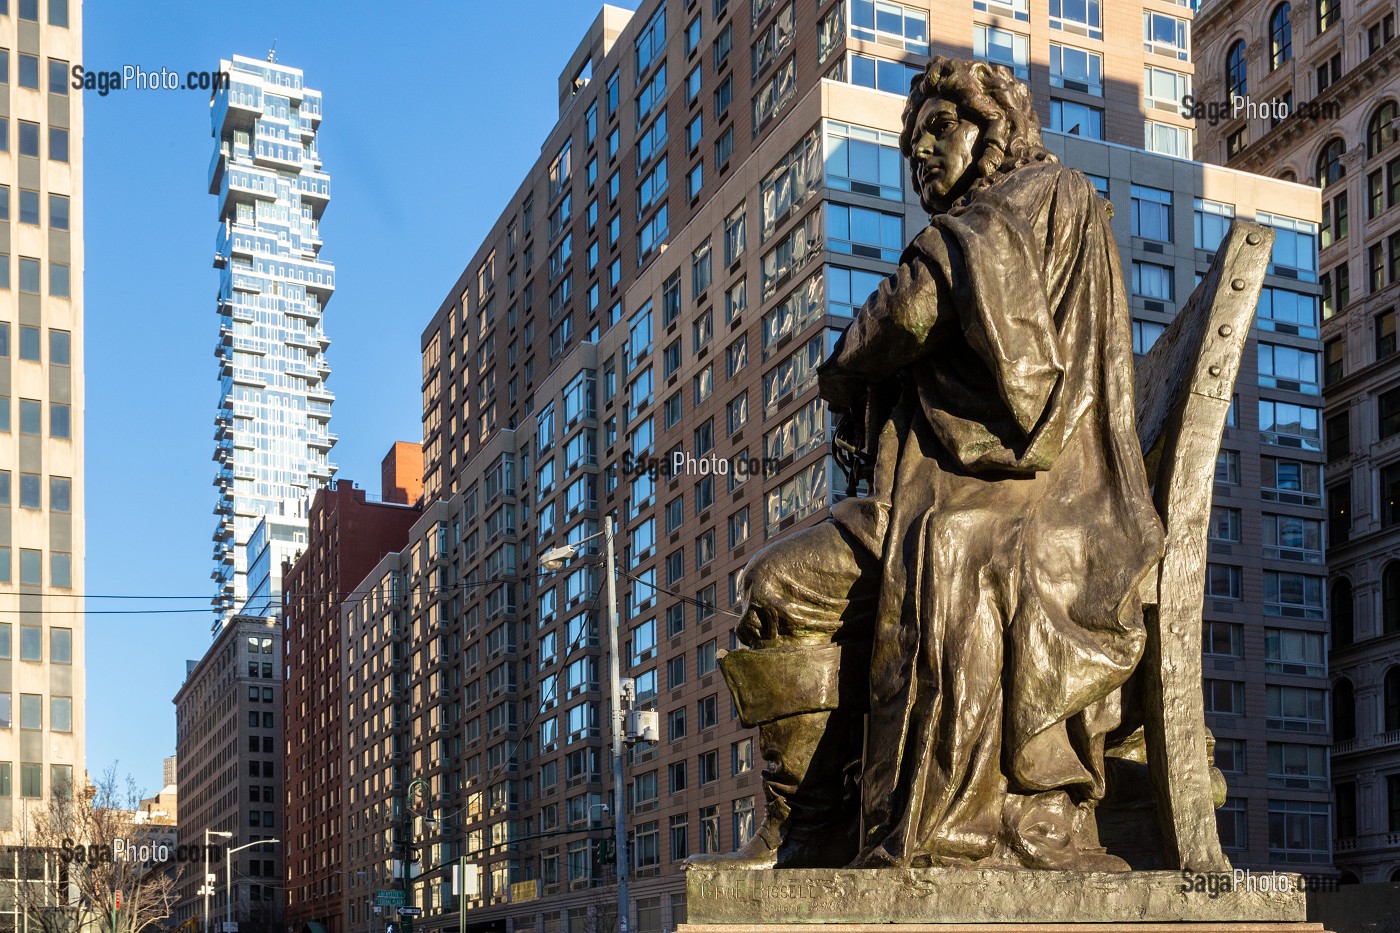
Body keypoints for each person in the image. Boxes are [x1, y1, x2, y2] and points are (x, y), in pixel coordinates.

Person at [689, 57, 1164, 872]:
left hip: (1026, 507)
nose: (923, 148)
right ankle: (805, 826)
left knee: (796, 581)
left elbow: (912, 308)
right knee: (778, 588)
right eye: (913, 139)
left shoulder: (1036, 198)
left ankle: (836, 828)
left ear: (997, 132)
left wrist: (843, 371)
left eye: (943, 127)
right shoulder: (993, 219)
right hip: (951, 497)